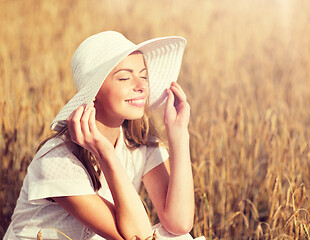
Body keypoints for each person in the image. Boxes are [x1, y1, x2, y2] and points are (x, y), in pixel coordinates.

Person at [4, 31, 205, 240]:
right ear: (95, 91)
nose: (142, 85)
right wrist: (105, 152)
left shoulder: (138, 143)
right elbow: (137, 237)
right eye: (125, 77)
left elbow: (179, 223)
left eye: (144, 76)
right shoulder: (57, 159)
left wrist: (179, 133)